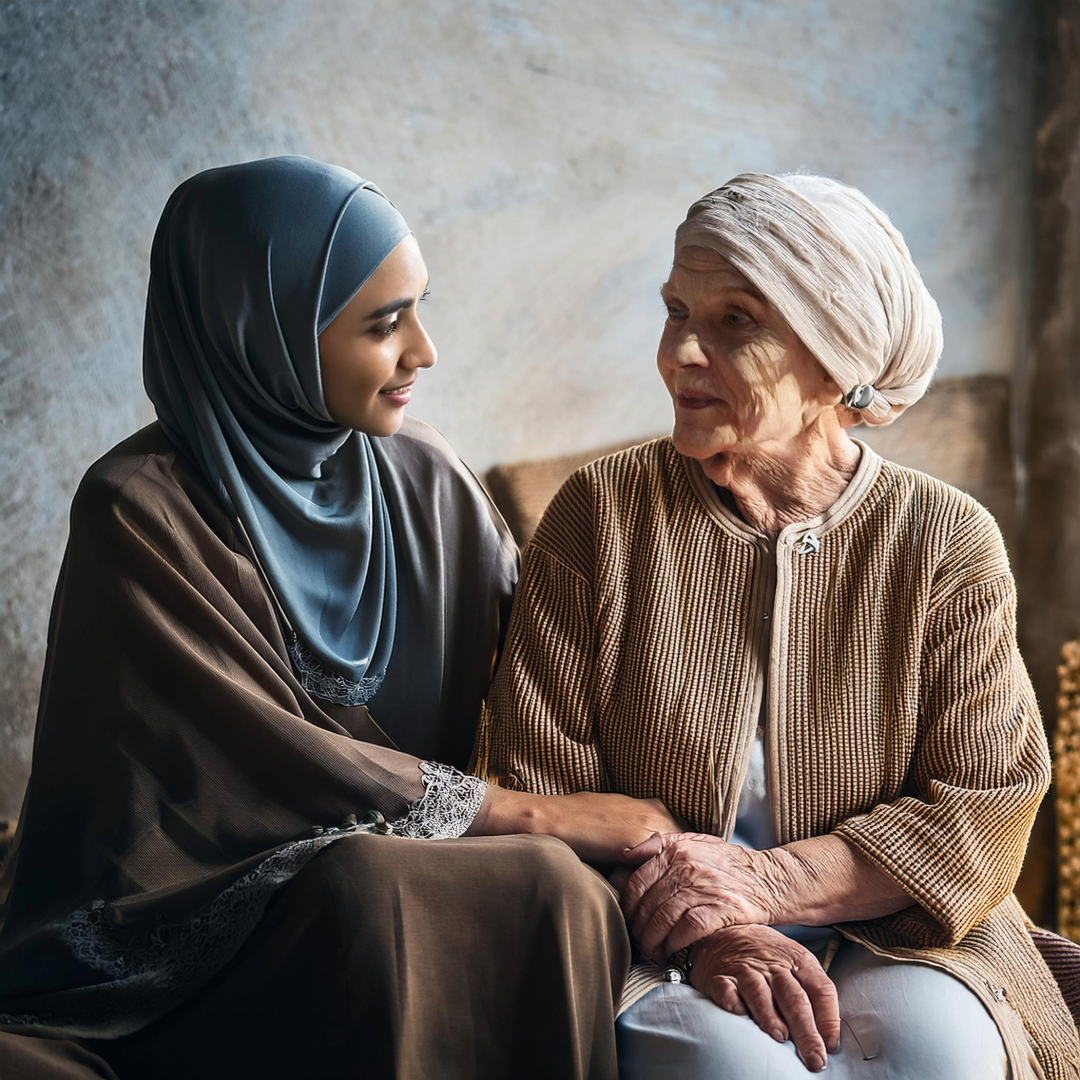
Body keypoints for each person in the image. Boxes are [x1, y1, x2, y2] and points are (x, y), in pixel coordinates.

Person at [0, 156, 682, 1080]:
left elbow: (546, 665)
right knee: (380, 883)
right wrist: (521, 811)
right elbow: (258, 751)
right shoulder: (139, 509)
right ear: (262, 332)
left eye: (418, 308)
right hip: (189, 916)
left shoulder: (425, 478)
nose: (425, 352)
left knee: (558, 886)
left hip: (409, 865)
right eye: (382, 324)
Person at [485, 172, 1080, 1079]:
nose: (681, 351)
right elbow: (542, 787)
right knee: (736, 1067)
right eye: (676, 310)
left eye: (735, 321)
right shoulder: (598, 517)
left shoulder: (944, 538)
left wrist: (767, 883)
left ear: (837, 358)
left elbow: (986, 805)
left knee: (943, 1056)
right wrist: (703, 936)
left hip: (904, 928)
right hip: (650, 938)